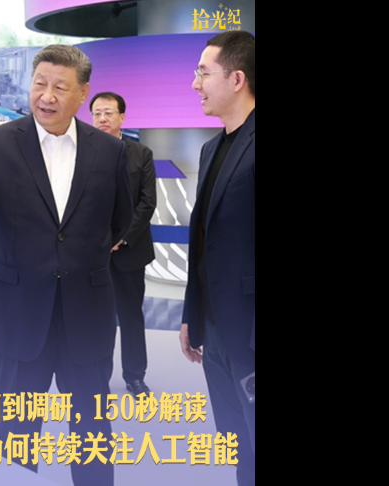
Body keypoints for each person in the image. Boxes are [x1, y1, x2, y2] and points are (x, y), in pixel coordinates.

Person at [0, 44, 132, 486]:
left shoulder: (109, 151)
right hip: (17, 315)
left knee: (91, 429)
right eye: (39, 84)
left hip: (85, 314)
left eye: (60, 87)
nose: (46, 96)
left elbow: (120, 220)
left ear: (82, 92)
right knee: (17, 433)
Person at [180, 31, 255, 486]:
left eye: (203, 73)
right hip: (216, 328)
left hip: (249, 331)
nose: (195, 84)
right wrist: (193, 315)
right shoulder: (212, 149)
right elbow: (205, 243)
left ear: (237, 79)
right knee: (236, 439)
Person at [89, 92, 157, 396]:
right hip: (92, 252)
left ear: (122, 117)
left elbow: (147, 202)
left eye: (108, 112)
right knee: (96, 318)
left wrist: (122, 237)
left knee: (131, 315)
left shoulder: (141, 153)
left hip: (130, 250)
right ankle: (96, 377)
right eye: (97, 113)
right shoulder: (81, 152)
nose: (102, 118)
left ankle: (135, 375)